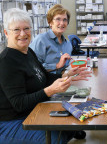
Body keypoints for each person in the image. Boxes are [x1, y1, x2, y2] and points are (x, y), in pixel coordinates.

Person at [0, 8, 92, 144]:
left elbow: (44, 77)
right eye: (16, 30)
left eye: (26, 28)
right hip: (12, 121)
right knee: (56, 138)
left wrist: (67, 76)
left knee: (74, 120)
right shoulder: (7, 61)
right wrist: (50, 90)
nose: (23, 34)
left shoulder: (28, 52)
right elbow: (19, 104)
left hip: (34, 110)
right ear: (6, 33)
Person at [30, 4, 72, 74]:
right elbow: (33, 67)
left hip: (62, 80)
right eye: (58, 19)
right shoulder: (41, 40)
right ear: (50, 22)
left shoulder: (68, 44)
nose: (62, 23)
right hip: (46, 83)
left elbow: (65, 67)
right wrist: (57, 65)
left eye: (65, 20)